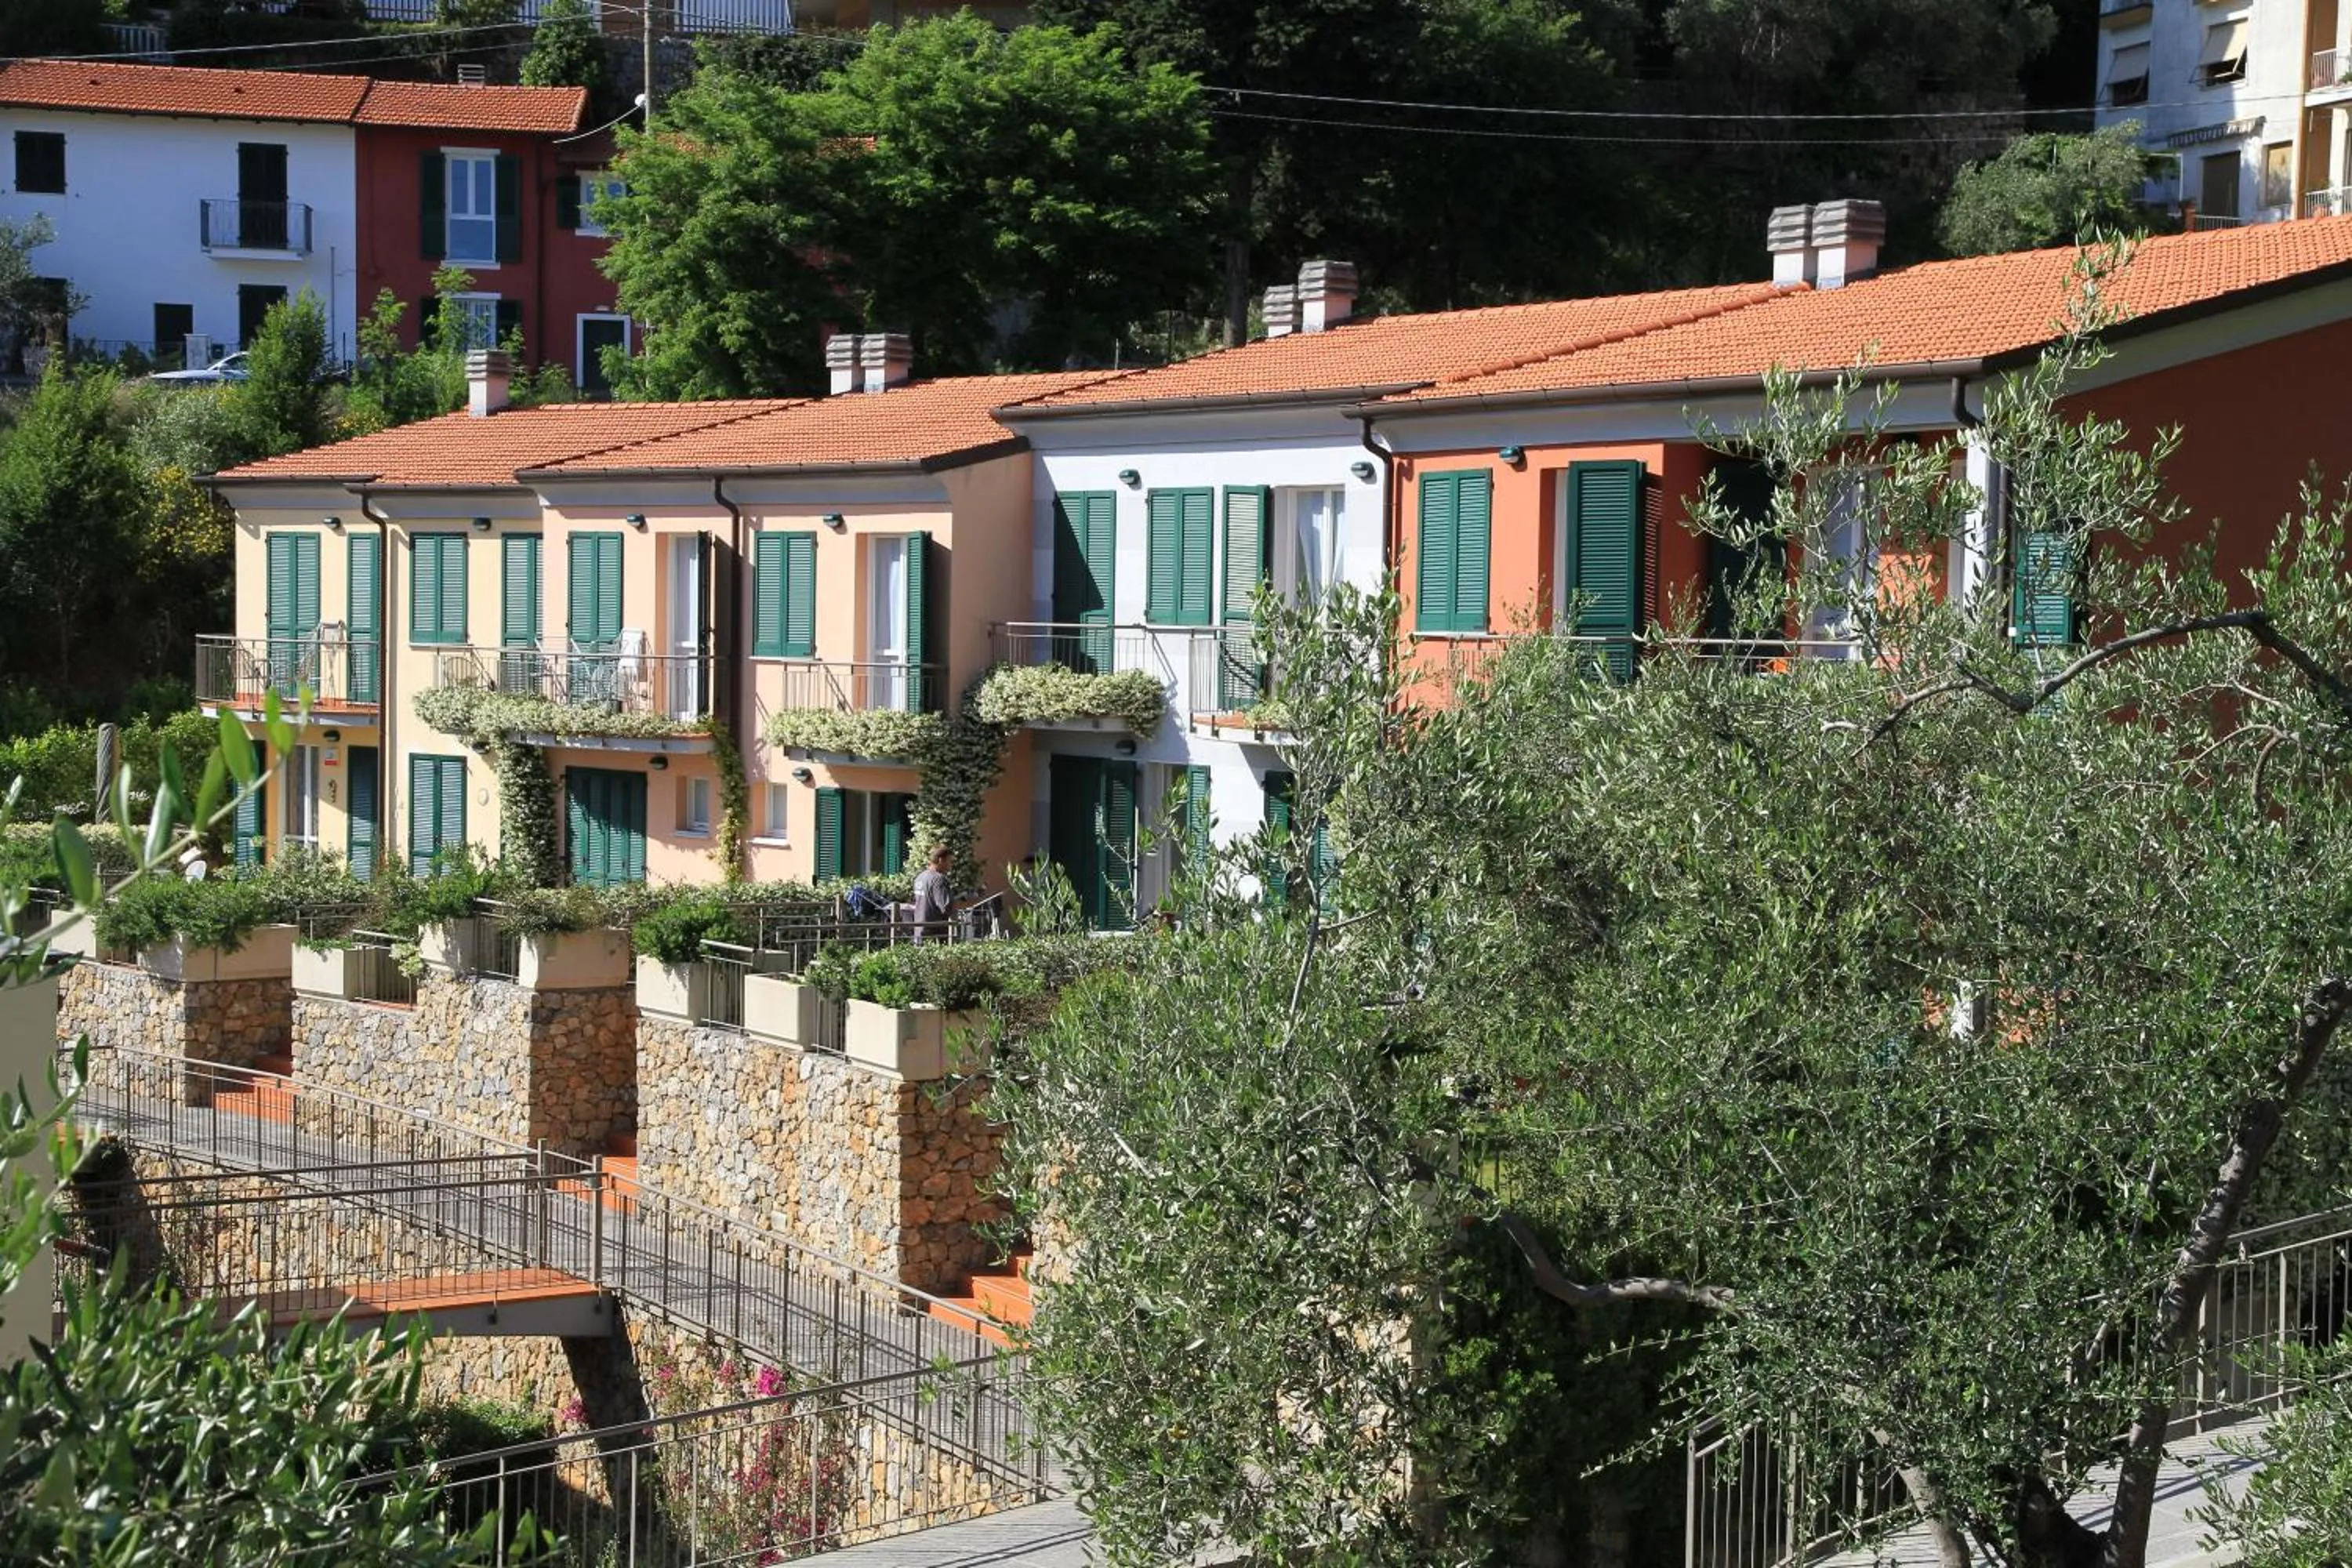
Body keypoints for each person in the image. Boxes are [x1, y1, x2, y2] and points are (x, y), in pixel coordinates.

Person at [907, 845, 956, 941]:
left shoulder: (920, 877)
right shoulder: (939, 879)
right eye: (950, 861)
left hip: (919, 931)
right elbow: (946, 907)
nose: (951, 865)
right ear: (941, 860)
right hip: (935, 934)